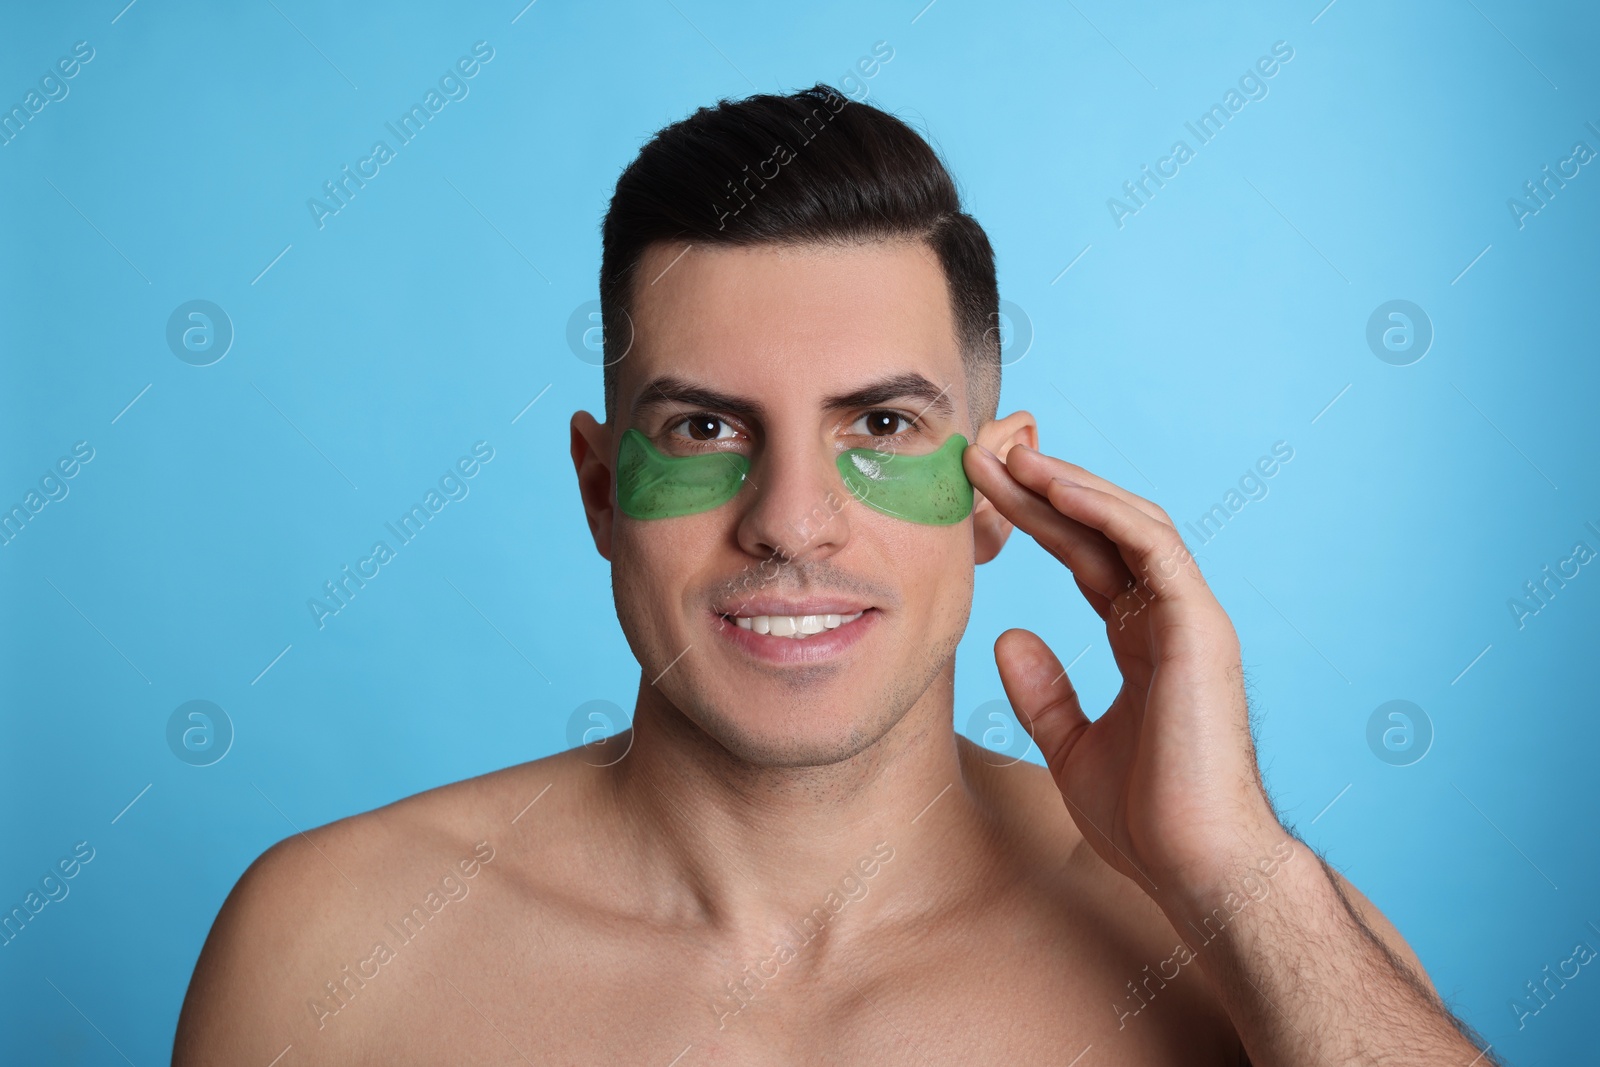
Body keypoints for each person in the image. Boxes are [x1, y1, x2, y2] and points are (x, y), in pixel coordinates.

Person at [174, 84, 1496, 1065]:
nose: (791, 522)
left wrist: (1235, 875)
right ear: (598, 491)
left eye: (881, 428)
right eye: (704, 431)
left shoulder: (1246, 950)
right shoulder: (331, 949)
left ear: (998, 492)